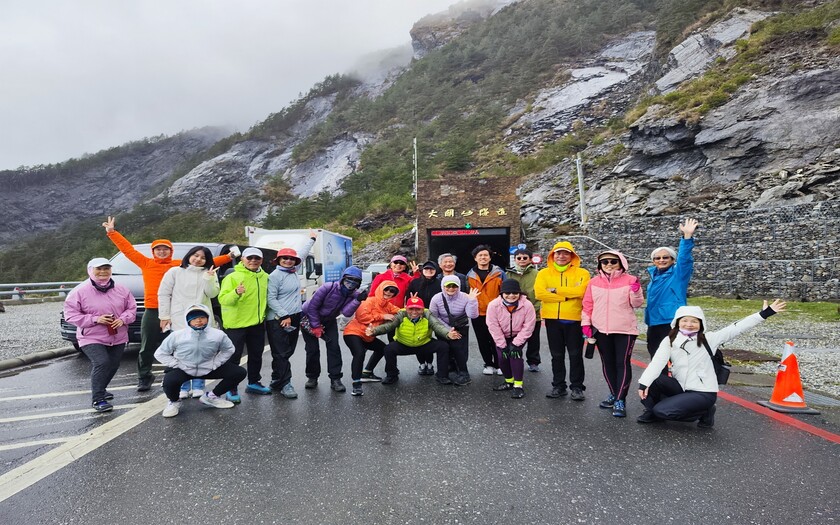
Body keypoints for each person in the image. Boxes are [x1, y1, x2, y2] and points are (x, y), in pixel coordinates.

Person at [102, 216, 236, 391]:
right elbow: (128, 250)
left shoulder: (179, 265)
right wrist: (112, 233)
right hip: (151, 310)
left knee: (178, 345)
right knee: (147, 345)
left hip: (176, 311)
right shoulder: (146, 263)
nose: (162, 252)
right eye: (158, 249)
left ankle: (175, 372)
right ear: (153, 251)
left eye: (166, 249)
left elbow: (208, 262)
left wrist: (229, 256)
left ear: (171, 251)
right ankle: (144, 376)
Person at [638, 300, 786, 427]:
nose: (689, 324)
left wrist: (764, 314)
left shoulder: (710, 339)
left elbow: (736, 327)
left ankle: (705, 411)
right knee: (653, 381)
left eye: (694, 321)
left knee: (662, 411)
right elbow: (657, 363)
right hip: (680, 386)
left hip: (702, 392)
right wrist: (644, 384)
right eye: (684, 320)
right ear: (677, 322)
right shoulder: (670, 340)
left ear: (701, 323)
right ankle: (653, 412)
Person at [64, 258, 137, 412]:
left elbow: (131, 309)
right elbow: (70, 315)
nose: (103, 272)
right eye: (99, 269)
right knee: (102, 362)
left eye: (106, 268)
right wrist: (96, 319)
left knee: (114, 364)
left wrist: (123, 320)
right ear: (90, 270)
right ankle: (98, 399)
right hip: (91, 336)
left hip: (117, 334)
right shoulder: (79, 291)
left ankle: (101, 388)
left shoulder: (122, 289)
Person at [581, 250, 645, 418]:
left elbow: (637, 303)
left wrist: (636, 291)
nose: (609, 264)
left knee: (622, 364)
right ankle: (613, 393)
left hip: (625, 330)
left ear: (621, 263)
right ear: (599, 265)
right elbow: (587, 305)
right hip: (601, 330)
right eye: (605, 262)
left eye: (613, 261)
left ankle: (620, 399)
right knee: (607, 363)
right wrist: (586, 325)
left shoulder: (630, 280)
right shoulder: (593, 282)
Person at [154, 304, 247, 418]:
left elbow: (229, 349)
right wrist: (177, 364)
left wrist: (216, 362)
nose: (198, 321)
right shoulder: (177, 336)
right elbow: (160, 353)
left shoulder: (218, 335)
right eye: (194, 318)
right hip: (185, 368)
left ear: (208, 318)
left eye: (202, 317)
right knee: (169, 381)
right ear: (188, 320)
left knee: (239, 372)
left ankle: (211, 397)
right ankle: (174, 402)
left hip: (208, 367)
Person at [158, 245, 220, 400]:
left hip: (202, 319)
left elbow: (213, 293)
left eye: (203, 257)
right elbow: (163, 294)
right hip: (180, 318)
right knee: (181, 353)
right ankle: (183, 386)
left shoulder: (209, 273)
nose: (198, 259)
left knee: (202, 353)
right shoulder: (175, 272)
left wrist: (209, 278)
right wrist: (164, 316)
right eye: (196, 255)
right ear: (189, 255)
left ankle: (198, 385)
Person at [534, 241, 590, 400]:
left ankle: (577, 387)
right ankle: (558, 385)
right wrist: (567, 296)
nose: (561, 256)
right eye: (558, 253)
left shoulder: (582, 273)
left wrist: (556, 291)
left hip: (574, 320)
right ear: (552, 255)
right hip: (552, 320)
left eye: (566, 253)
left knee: (575, 354)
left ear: (572, 256)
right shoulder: (543, 273)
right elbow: (540, 294)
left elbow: (581, 292)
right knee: (556, 355)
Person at [265, 231, 318, 399]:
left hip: (294, 316)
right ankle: (285, 384)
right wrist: (283, 315)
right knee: (281, 352)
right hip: (279, 319)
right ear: (278, 260)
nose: (288, 261)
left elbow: (301, 253)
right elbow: (270, 298)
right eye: (284, 258)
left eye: (291, 259)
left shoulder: (294, 270)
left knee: (287, 351)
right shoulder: (275, 276)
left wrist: (312, 239)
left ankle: (276, 379)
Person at [218, 247, 270, 402]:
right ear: (242, 259)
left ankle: (253, 382)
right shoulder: (232, 277)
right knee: (234, 357)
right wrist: (236, 293)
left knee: (256, 355)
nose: (253, 261)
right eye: (250, 258)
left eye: (257, 258)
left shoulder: (265, 277)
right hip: (236, 324)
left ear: (261, 260)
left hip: (257, 324)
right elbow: (223, 299)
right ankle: (231, 387)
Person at [301, 266, 364, 392]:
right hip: (308, 318)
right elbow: (312, 307)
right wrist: (316, 326)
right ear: (343, 279)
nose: (351, 284)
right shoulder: (327, 287)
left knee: (334, 348)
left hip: (329, 321)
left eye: (355, 281)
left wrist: (357, 300)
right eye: (348, 280)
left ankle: (335, 379)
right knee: (312, 350)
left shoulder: (354, 295)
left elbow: (346, 312)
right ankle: (312, 377)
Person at [366, 296, 455, 385]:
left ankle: (442, 375)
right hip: (404, 344)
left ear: (422, 309)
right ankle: (392, 375)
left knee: (443, 346)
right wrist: (374, 331)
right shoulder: (401, 314)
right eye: (411, 309)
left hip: (423, 343)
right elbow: (388, 326)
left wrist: (448, 334)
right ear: (406, 308)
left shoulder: (427, 314)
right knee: (388, 349)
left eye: (418, 309)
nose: (414, 312)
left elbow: (437, 326)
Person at [645, 218, 698, 359]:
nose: (661, 260)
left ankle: (674, 381)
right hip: (653, 322)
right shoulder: (653, 276)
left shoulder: (678, 274)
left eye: (665, 257)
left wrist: (687, 238)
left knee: (674, 358)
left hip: (670, 322)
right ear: (653, 261)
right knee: (655, 356)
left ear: (673, 260)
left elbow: (685, 260)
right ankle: (658, 381)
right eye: (657, 258)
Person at [342, 280, 401, 396]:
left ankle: (367, 372)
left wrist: (415, 308)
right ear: (380, 289)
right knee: (359, 353)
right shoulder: (369, 300)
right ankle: (356, 384)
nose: (389, 292)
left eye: (392, 291)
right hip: (354, 332)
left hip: (368, 336)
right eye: (386, 289)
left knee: (384, 349)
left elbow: (400, 311)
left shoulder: (388, 305)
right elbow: (362, 317)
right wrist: (382, 316)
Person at [487, 279, 536, 399]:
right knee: (502, 358)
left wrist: (516, 344)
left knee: (515, 355)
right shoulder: (493, 305)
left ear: (519, 293)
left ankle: (518, 386)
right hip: (501, 335)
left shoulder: (527, 305)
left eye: (514, 293)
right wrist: (502, 345)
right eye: (507, 293)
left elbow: (529, 325)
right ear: (502, 294)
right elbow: (493, 325)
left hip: (518, 335)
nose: (511, 296)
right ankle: (509, 381)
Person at [428, 275, 480, 386]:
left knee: (459, 349)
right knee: (444, 348)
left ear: (459, 286)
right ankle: (445, 371)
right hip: (442, 326)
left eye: (454, 286)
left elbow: (473, 315)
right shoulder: (436, 298)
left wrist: (472, 301)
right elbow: (434, 317)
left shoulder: (466, 297)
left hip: (461, 326)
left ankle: (463, 373)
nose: (451, 288)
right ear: (443, 286)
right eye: (448, 286)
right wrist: (448, 330)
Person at [466, 244, 506, 375]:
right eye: (480, 255)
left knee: (497, 339)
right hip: (478, 313)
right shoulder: (469, 275)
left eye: (485, 255)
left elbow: (505, 292)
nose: (483, 257)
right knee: (482, 340)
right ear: (475, 258)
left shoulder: (499, 273)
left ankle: (499, 364)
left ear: (490, 257)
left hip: (496, 313)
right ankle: (488, 364)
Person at [507, 248, 542, 372]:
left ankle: (533, 362)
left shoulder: (537, 274)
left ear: (530, 259)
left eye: (525, 258)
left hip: (534, 311)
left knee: (533, 339)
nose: (522, 260)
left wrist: (535, 308)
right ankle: (515, 359)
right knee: (515, 337)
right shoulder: (508, 274)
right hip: (514, 312)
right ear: (515, 259)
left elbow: (540, 293)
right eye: (519, 258)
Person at [407, 260, 443, 375]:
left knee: (430, 341)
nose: (429, 271)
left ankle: (430, 363)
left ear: (436, 271)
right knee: (420, 339)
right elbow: (409, 298)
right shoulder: (415, 282)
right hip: (418, 315)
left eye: (432, 269)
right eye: (426, 269)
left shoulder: (439, 283)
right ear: (422, 271)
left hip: (434, 315)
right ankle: (422, 364)